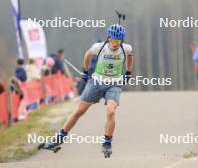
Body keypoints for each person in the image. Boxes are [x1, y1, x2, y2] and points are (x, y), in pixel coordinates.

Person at [45, 24, 134, 156]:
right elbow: (87, 55)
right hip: (96, 82)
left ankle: (107, 142)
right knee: (79, 112)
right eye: (113, 41)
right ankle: (59, 138)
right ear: (109, 38)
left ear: (122, 40)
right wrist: (85, 71)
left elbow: (130, 56)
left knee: (111, 112)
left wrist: (128, 73)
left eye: (118, 41)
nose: (115, 44)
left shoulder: (126, 48)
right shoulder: (99, 47)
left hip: (114, 84)